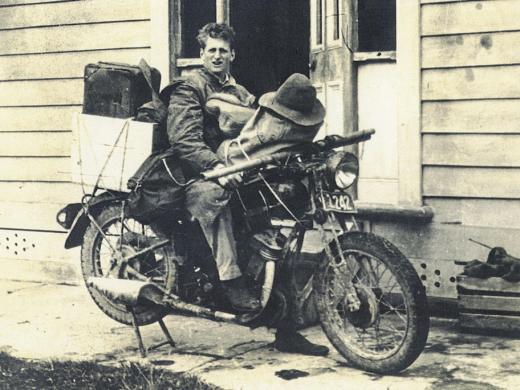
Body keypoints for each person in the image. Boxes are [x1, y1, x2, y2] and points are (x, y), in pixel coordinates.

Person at [167, 22, 329, 356]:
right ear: (201, 54)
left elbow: (263, 128)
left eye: (223, 51)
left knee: (274, 236)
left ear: (232, 55)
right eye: (211, 50)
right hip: (195, 173)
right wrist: (215, 167)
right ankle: (231, 282)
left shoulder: (239, 92)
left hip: (237, 169)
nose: (217, 56)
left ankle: (287, 331)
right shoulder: (188, 88)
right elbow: (184, 139)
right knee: (216, 198)